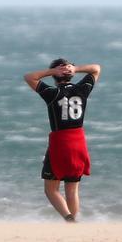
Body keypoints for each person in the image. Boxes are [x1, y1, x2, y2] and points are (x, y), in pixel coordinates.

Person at [23, 59, 102, 222]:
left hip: (60, 143)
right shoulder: (82, 89)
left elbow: (29, 77)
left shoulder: (52, 94)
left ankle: (68, 219)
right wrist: (76, 68)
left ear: (55, 76)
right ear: (70, 74)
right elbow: (96, 69)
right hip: (79, 142)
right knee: (72, 190)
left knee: (51, 189)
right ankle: (73, 221)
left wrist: (52, 71)